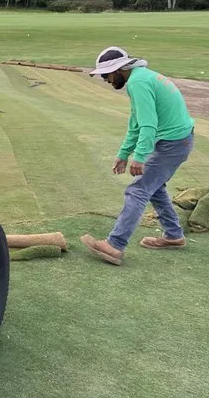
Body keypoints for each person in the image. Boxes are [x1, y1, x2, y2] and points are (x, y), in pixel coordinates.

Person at [81, 46, 195, 265]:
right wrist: (124, 153)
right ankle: (174, 236)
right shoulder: (140, 78)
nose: (105, 80)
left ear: (118, 70)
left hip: (174, 143)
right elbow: (135, 123)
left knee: (138, 189)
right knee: (154, 188)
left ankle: (114, 245)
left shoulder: (137, 82)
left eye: (106, 75)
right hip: (175, 141)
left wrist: (140, 156)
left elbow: (148, 124)